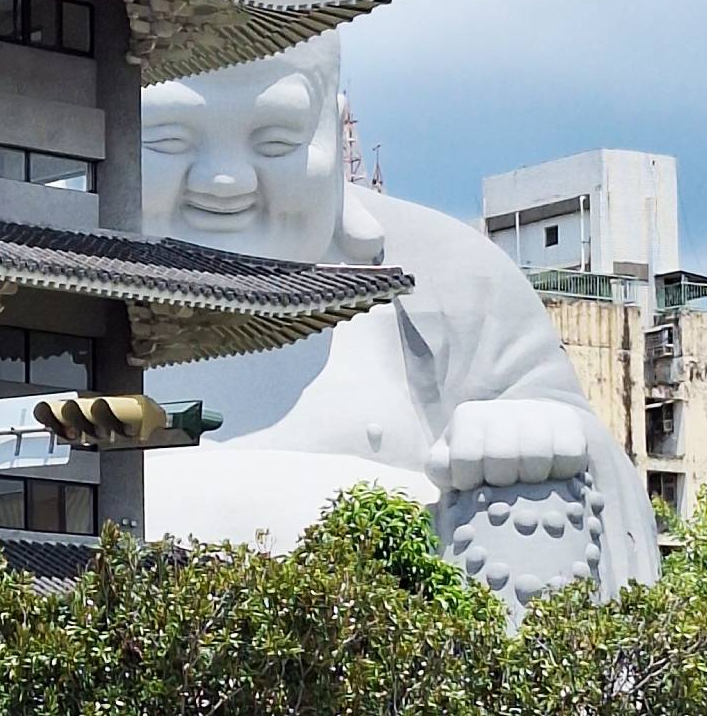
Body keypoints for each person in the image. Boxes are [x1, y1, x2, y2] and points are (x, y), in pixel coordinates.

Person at [140, 32, 658, 599]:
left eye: (275, 140)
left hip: (404, 653)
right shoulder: (40, 278)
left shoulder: (448, 272)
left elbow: (594, 465)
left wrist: (532, 435)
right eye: (168, 140)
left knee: (535, 496)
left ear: (335, 133)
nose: (225, 181)